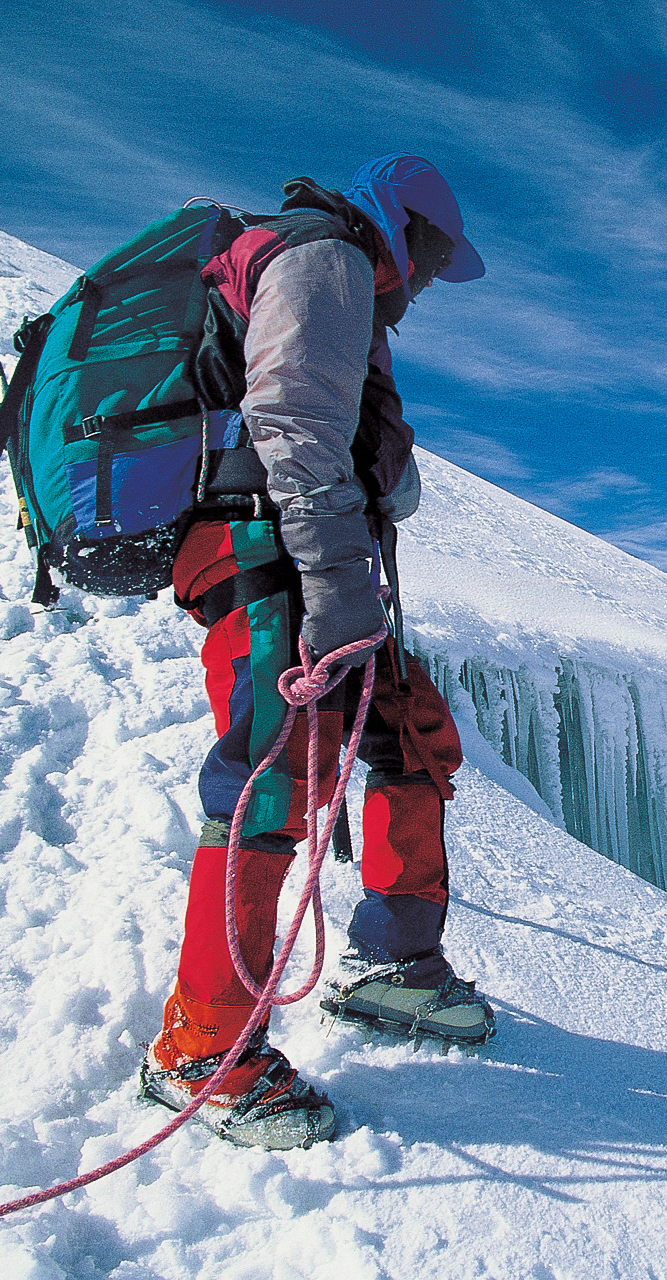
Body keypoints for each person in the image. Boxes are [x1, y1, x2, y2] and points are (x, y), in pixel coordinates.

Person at [137, 155, 490, 1150]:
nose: (427, 282)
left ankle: (394, 963)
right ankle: (203, 1047)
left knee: (413, 731)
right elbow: (289, 416)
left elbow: (339, 431)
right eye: (431, 256)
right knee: (271, 772)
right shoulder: (329, 259)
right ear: (403, 227)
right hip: (264, 552)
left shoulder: (350, 295)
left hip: (315, 558)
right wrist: (336, 584)